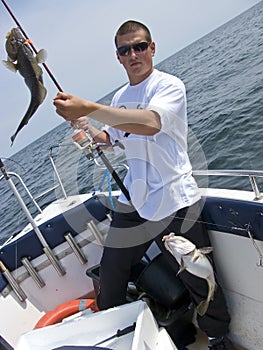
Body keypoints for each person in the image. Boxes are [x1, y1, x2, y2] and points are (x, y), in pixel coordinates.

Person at [53, 20, 236, 350]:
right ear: (118, 57)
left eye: (140, 46)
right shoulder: (120, 97)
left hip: (176, 198)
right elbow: (114, 137)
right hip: (138, 200)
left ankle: (217, 336)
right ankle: (111, 329)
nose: (133, 53)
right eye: (126, 49)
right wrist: (87, 127)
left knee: (198, 276)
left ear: (152, 48)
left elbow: (151, 123)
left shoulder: (169, 86)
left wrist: (92, 108)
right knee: (112, 268)